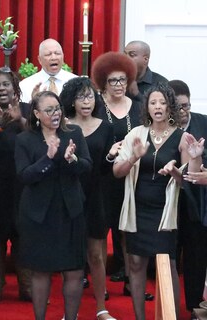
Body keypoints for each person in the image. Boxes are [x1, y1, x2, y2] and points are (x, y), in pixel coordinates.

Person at [113, 83, 204, 320]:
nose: (158, 107)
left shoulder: (182, 137)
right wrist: (134, 156)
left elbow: (187, 179)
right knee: (135, 263)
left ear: (170, 106)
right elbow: (117, 172)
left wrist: (176, 170)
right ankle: (140, 317)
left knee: (167, 264)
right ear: (147, 107)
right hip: (138, 208)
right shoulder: (136, 134)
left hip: (165, 211)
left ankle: (169, 316)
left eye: (162, 102)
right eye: (153, 103)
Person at [15, 91, 92, 320]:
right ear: (37, 114)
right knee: (40, 271)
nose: (55, 113)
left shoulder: (74, 133)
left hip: (70, 211)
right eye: (48, 110)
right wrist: (47, 158)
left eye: (57, 108)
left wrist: (72, 159)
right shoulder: (25, 139)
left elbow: (87, 166)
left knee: (74, 271)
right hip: (38, 215)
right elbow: (24, 176)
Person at [91, 51, 154, 300]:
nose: (118, 85)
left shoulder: (138, 107)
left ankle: (130, 281)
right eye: (112, 81)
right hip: (102, 177)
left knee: (128, 231)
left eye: (122, 80)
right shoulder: (95, 105)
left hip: (131, 176)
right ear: (103, 83)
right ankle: (100, 286)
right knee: (98, 233)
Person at [60, 77, 117, 320]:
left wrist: (112, 156)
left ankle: (101, 308)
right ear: (72, 100)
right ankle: (68, 310)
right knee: (69, 255)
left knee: (96, 253)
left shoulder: (106, 127)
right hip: (68, 195)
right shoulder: (63, 126)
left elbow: (105, 169)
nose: (87, 101)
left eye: (90, 96)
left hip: (95, 195)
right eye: (81, 96)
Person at [0, 67, 32, 305]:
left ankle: (27, 287)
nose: (1, 89)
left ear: (15, 87)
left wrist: (20, 120)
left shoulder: (28, 109)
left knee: (23, 237)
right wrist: (0, 125)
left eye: (6, 84)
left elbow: (38, 137)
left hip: (23, 186)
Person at [169, 79, 207, 318]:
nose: (183, 112)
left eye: (186, 106)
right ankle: (169, 304)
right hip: (171, 199)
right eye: (178, 108)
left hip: (199, 199)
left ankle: (195, 305)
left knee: (196, 254)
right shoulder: (163, 126)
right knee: (170, 252)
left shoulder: (203, 122)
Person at [19, 38, 77, 103]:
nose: (54, 58)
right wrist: (34, 103)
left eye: (57, 53)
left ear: (63, 56)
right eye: (48, 54)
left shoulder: (76, 82)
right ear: (40, 59)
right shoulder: (25, 85)